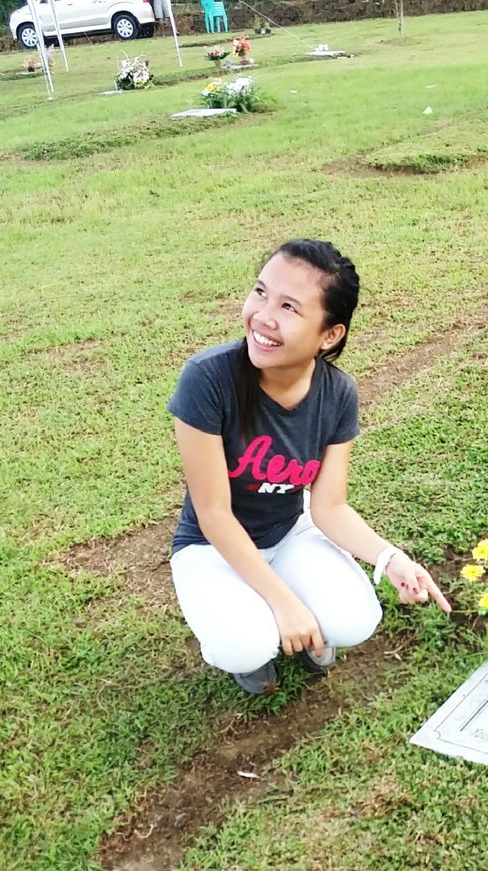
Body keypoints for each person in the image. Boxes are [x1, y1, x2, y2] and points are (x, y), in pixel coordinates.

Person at [168, 238, 451, 695]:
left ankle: (284, 604)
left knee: (357, 621)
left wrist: (390, 558)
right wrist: (284, 604)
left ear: (329, 334)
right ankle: (251, 636)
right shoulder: (207, 379)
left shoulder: (338, 394)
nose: (263, 316)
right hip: (210, 547)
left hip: (289, 534)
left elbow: (329, 507)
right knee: (246, 644)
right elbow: (214, 514)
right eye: (260, 293)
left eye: (288, 307)